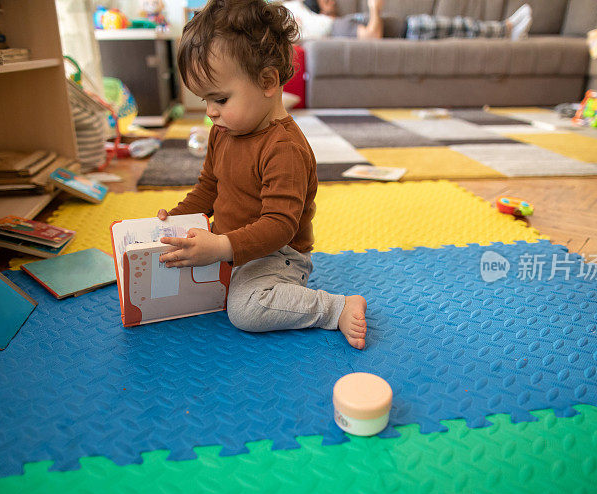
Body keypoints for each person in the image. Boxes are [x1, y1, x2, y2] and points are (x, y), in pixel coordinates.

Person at [156, 0, 368, 350]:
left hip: (276, 253)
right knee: (174, 269)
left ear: (268, 81)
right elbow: (208, 189)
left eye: (220, 99)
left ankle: (335, 306)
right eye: (204, 99)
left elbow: (279, 226)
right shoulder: (222, 132)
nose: (210, 112)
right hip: (230, 248)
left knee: (246, 311)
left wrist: (222, 247)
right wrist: (172, 223)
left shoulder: (284, 148)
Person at [285, 0, 533, 42]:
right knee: (463, 27)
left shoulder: (337, 23)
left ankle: (506, 29)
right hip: (411, 30)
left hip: (411, 28)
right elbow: (372, 36)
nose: (335, 3)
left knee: (461, 27)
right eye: (328, 1)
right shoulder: (335, 25)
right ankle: (506, 30)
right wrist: (375, 9)